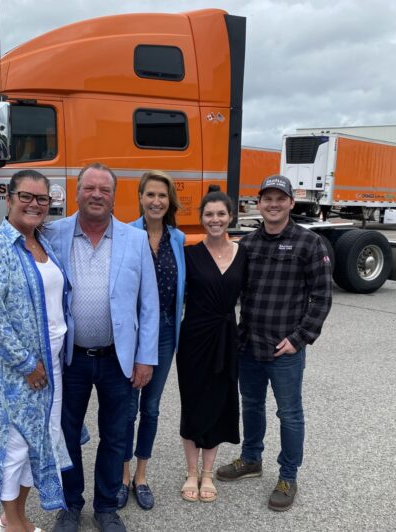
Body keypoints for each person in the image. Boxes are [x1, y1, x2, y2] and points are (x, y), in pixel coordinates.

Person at [45, 163, 159, 532]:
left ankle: (107, 506)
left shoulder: (135, 239)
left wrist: (145, 357)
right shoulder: (53, 234)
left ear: (114, 196)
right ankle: (70, 506)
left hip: (118, 360)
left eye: (104, 190)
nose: (97, 195)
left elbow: (149, 304)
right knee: (66, 435)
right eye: (89, 188)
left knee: (116, 436)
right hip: (70, 359)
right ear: (76, 192)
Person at [216, 174, 332, 512]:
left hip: (285, 351)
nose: (273, 204)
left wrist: (299, 339)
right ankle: (251, 459)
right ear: (259, 204)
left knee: (290, 414)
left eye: (280, 198)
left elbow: (322, 298)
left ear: (291, 203)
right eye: (267, 198)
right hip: (249, 346)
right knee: (251, 405)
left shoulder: (309, 244)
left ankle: (288, 476)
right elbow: (230, 292)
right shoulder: (248, 244)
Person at [0, 169, 72, 532]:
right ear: (9, 199)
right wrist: (27, 364)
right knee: (15, 444)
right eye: (26, 197)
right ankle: (10, 521)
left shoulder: (42, 242)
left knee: (39, 440)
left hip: (52, 365)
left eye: (42, 199)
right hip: (19, 372)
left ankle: (20, 516)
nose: (34, 205)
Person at [119, 170, 186, 511]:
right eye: (150, 195)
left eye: (162, 195)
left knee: (152, 408)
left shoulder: (178, 238)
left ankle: (142, 476)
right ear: (141, 198)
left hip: (166, 334)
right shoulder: (125, 235)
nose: (156, 201)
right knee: (127, 407)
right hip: (131, 336)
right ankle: (123, 476)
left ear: (168, 200)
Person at [175, 185, 245, 504]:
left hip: (226, 337)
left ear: (231, 217)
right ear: (201, 218)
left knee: (218, 402)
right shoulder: (189, 253)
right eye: (209, 214)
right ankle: (191, 472)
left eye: (221, 214)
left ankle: (208, 473)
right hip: (194, 338)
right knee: (193, 403)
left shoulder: (244, 253)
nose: (215, 219)